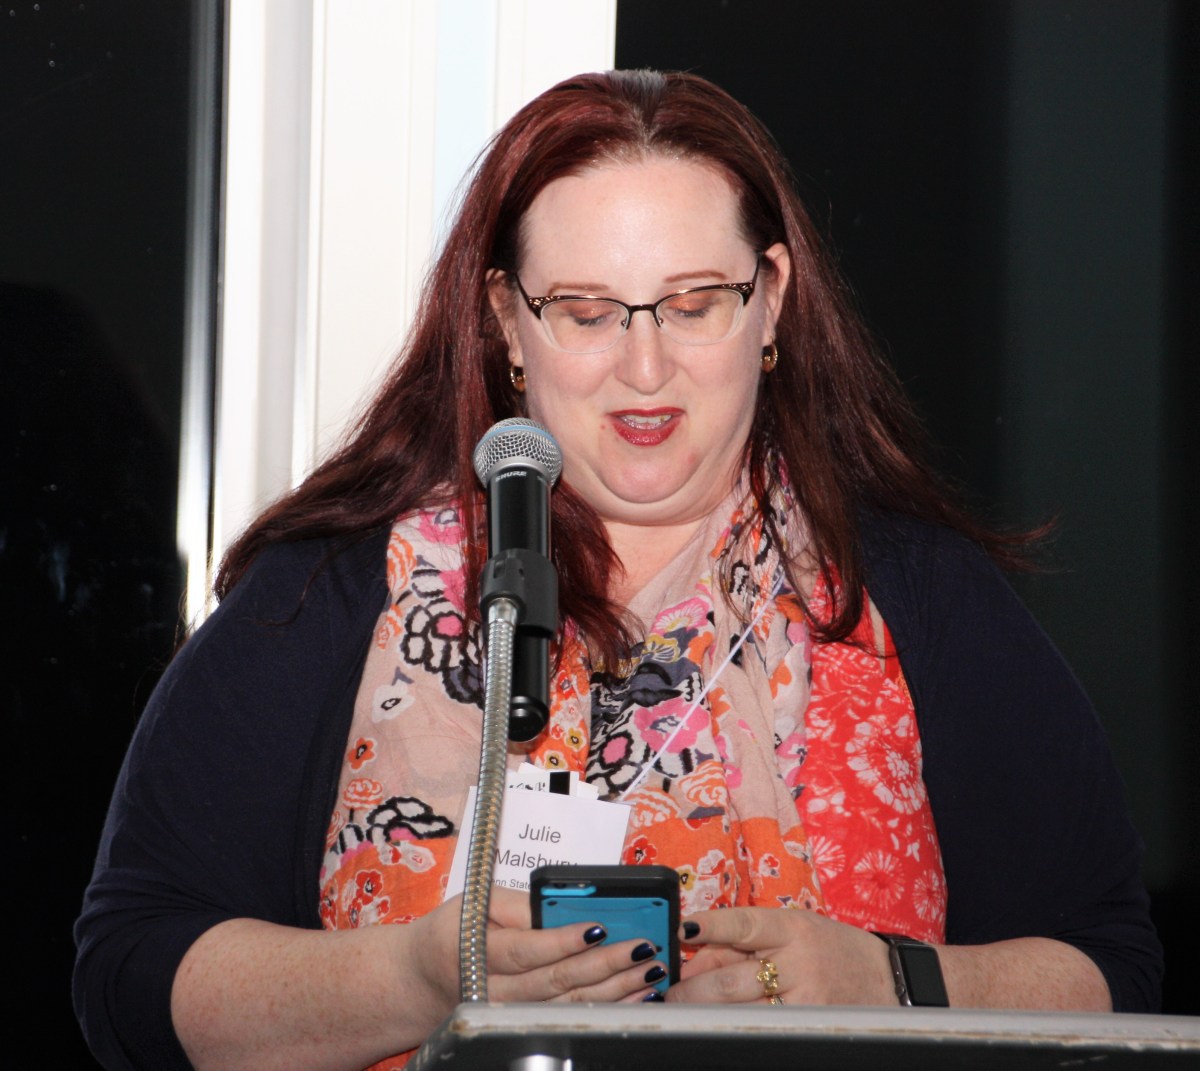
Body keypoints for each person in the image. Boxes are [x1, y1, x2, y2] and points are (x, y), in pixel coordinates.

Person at [73, 69, 1161, 1071]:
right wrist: (418, 978)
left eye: (694, 304)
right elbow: (131, 973)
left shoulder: (919, 599)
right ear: (506, 321)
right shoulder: (335, 592)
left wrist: (890, 984)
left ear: (772, 300)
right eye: (587, 313)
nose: (646, 367)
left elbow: (1111, 967)